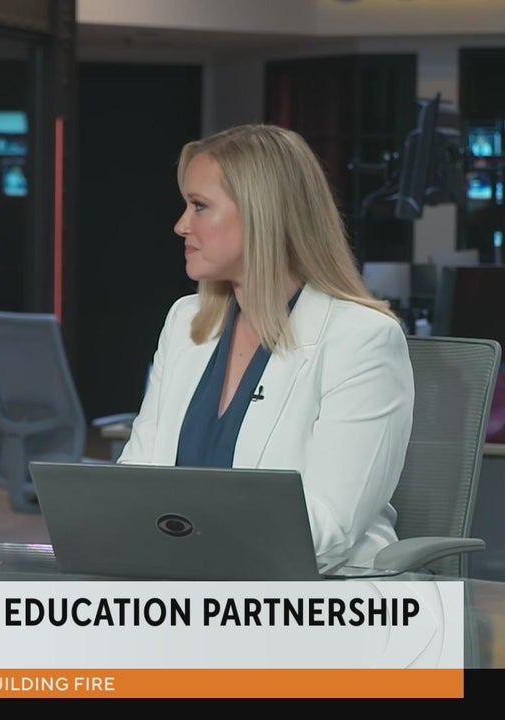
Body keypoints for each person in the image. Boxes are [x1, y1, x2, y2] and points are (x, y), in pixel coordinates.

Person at [118, 123, 414, 572]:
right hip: (184, 584)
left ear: (262, 214)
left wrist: (187, 553)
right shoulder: (184, 321)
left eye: (200, 207)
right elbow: (135, 482)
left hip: (311, 594)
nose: (181, 225)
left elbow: (327, 528)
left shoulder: (361, 339)